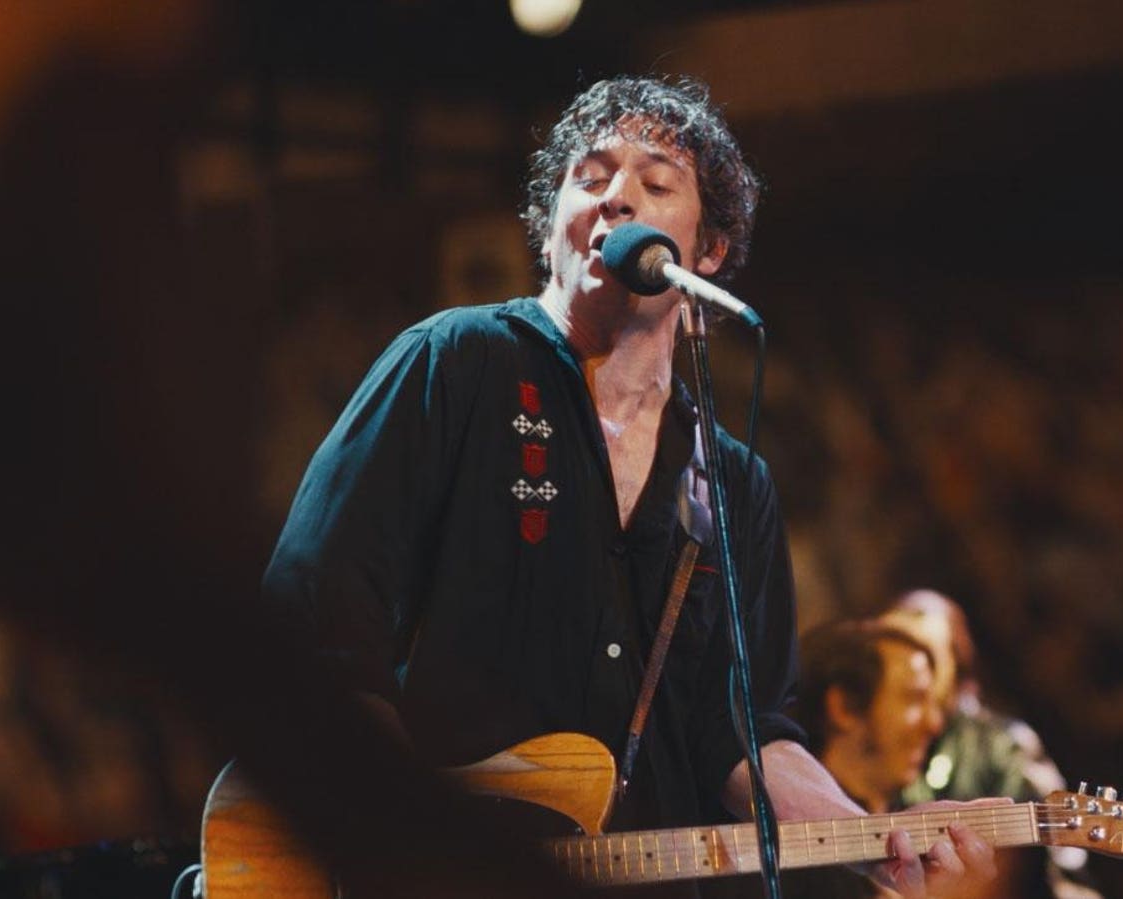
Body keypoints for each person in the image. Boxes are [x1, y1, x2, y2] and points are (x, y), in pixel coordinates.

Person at [262, 76, 996, 898]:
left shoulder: (733, 482)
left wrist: (873, 838)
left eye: (655, 181)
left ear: (707, 253)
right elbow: (314, 615)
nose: (615, 195)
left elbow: (744, 734)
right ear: (551, 233)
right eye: (589, 176)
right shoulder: (456, 364)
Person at [884, 591, 1104, 899]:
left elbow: (1061, 854)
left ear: (956, 664)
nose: (914, 667)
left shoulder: (1002, 743)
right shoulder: (879, 744)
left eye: (928, 655)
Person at [785, 618, 951, 899]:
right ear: (843, 708)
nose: (935, 724)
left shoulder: (914, 840)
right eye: (913, 698)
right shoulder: (797, 863)